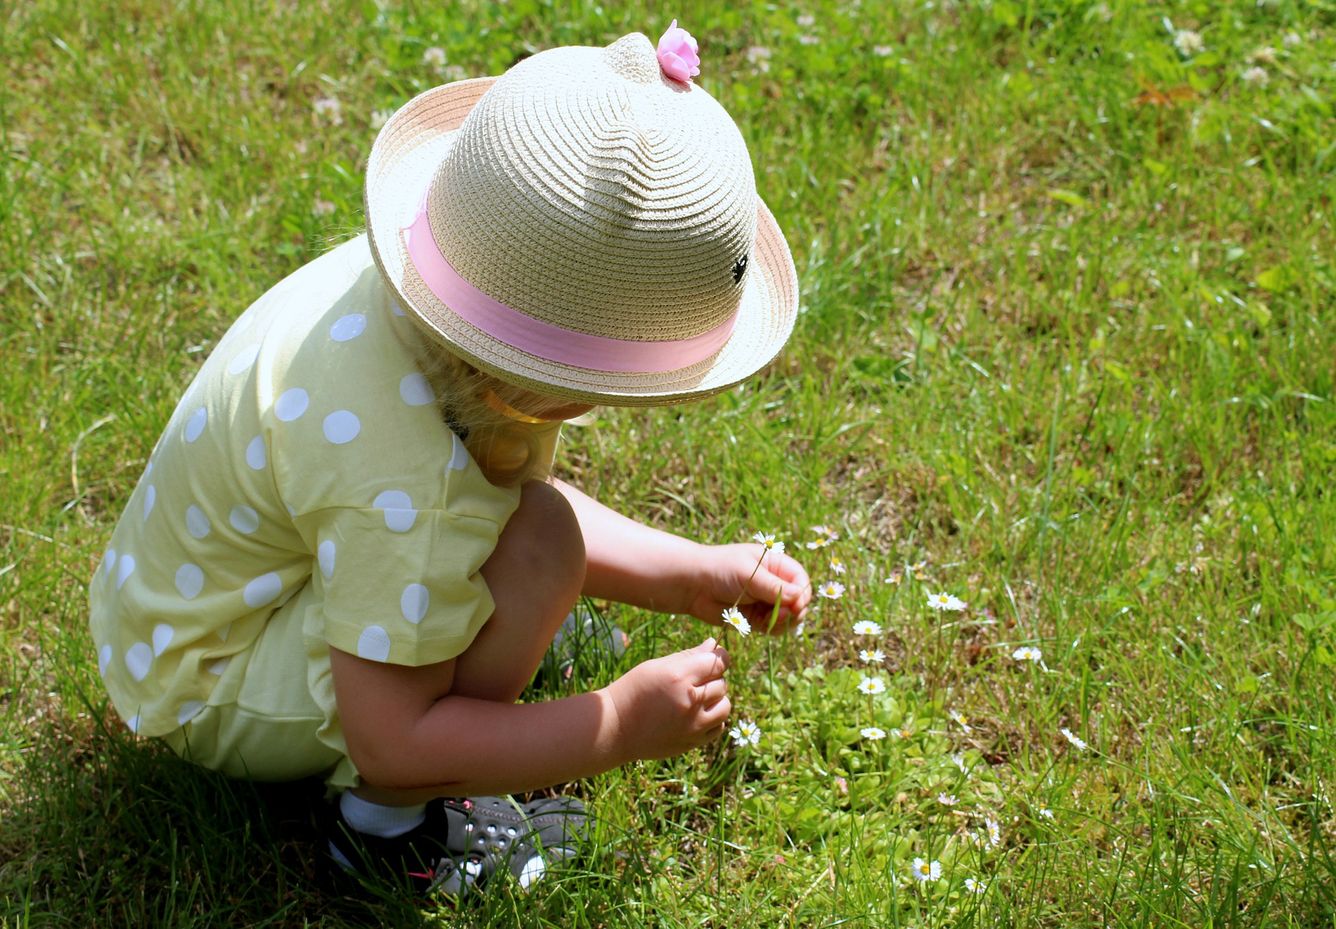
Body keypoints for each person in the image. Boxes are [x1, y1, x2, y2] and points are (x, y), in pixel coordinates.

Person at [88, 24, 809, 896]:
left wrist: (693, 574)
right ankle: (387, 832)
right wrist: (618, 720)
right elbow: (395, 736)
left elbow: (492, 489)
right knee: (538, 551)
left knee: (534, 541)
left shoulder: (435, 308)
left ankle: (476, 628)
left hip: (184, 610)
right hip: (211, 684)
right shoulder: (409, 478)